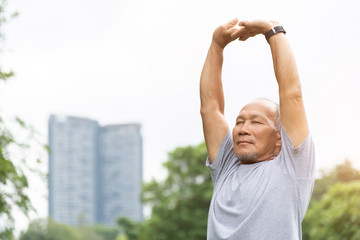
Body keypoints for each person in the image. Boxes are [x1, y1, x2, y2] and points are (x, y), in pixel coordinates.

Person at [199, 18, 316, 240]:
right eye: (239, 121)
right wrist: (216, 45)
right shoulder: (226, 167)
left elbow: (292, 93)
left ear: (279, 138)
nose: (243, 128)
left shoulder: (292, 167)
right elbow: (210, 109)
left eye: (256, 122)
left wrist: (272, 30)